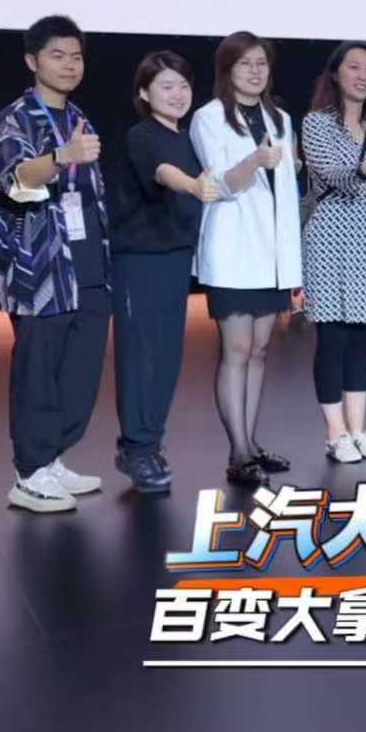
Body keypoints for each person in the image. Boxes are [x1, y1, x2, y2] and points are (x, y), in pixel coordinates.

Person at [0, 15, 111, 514]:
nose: (69, 65)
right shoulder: (15, 119)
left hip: (88, 266)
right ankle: (29, 472)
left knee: (79, 374)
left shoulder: (79, 116)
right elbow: (12, 178)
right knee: (38, 373)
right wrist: (61, 156)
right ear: (31, 60)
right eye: (57, 55)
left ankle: (53, 458)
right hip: (40, 269)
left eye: (76, 56)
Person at [190, 32, 301, 487]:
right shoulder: (209, 117)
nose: (255, 72)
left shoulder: (281, 118)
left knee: (259, 350)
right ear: (227, 70)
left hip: (271, 254)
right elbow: (219, 184)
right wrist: (255, 160)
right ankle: (238, 452)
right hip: (233, 250)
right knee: (235, 350)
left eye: (261, 63)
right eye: (244, 64)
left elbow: (287, 191)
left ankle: (251, 443)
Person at [108, 51, 220, 495]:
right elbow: (163, 172)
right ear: (144, 92)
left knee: (167, 357)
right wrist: (192, 184)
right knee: (141, 356)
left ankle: (150, 442)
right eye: (166, 86)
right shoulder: (142, 135)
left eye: (184, 86)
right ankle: (136, 447)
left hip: (176, 258)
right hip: (139, 260)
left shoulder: (190, 138)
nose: (177, 94)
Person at [298, 42, 366, 464]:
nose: (363, 76)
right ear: (335, 73)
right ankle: (334, 433)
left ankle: (358, 429)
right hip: (328, 234)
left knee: (361, 336)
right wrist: (363, 169)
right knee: (332, 335)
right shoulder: (316, 123)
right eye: (354, 68)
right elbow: (329, 173)